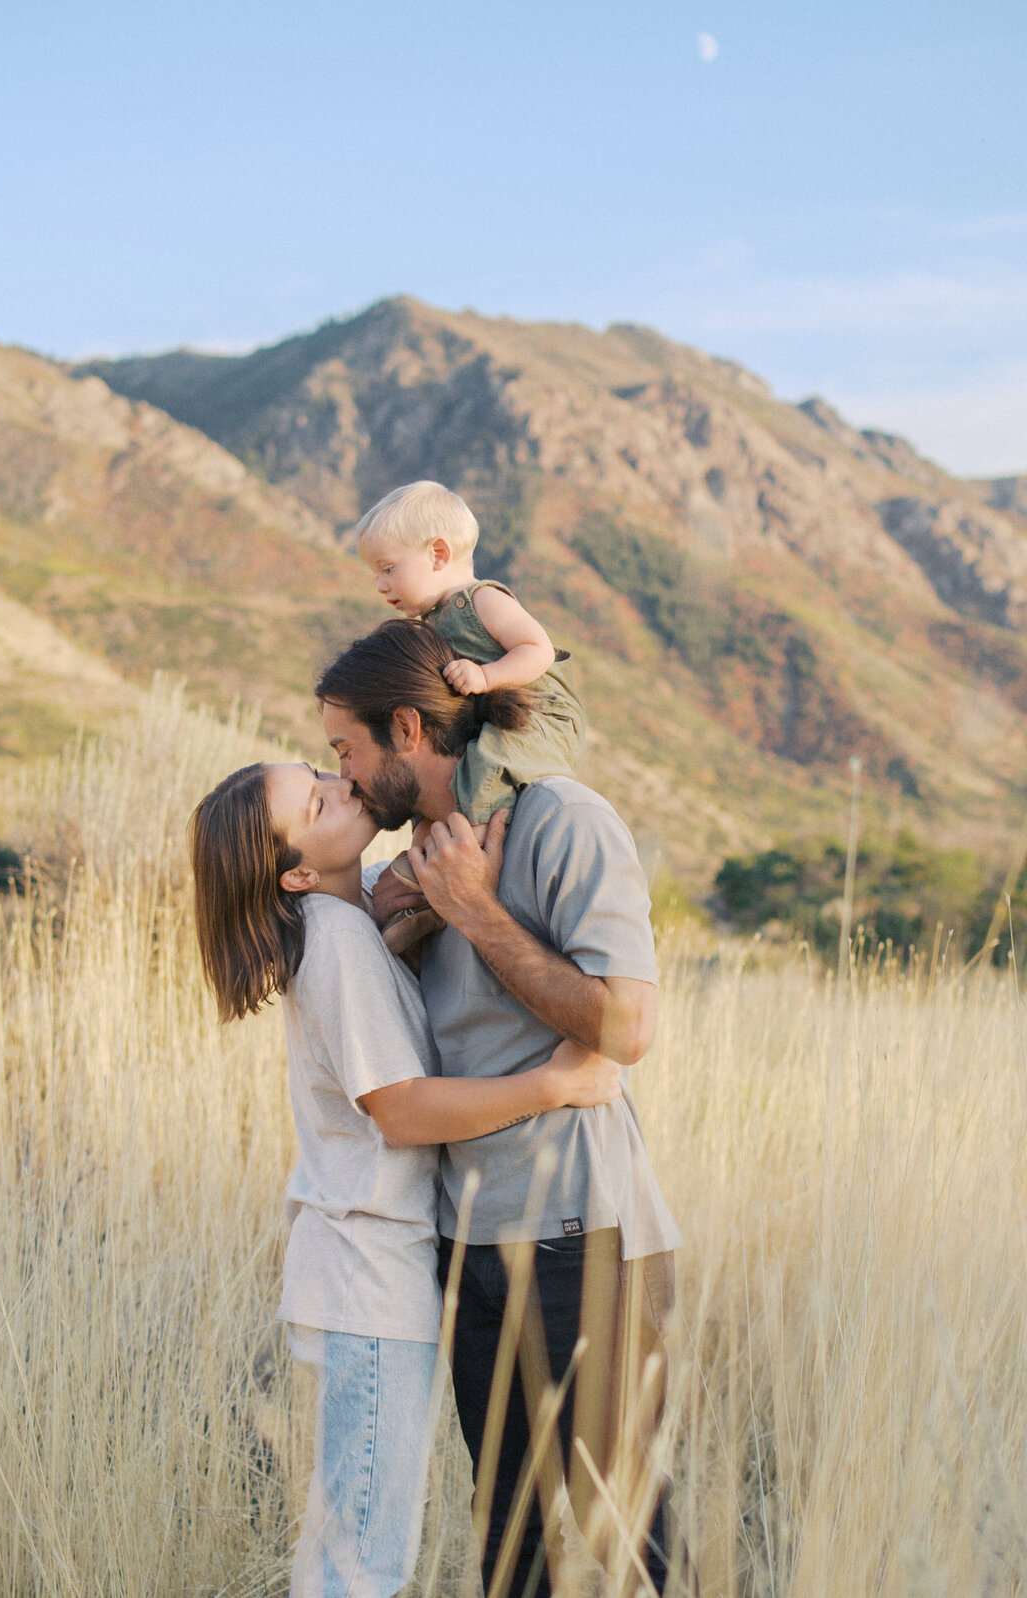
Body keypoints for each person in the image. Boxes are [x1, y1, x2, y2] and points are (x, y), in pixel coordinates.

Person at [188, 759, 624, 1598]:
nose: (344, 785)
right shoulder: (335, 938)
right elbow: (401, 1109)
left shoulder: (345, 926)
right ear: (298, 872)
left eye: (323, 768)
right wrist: (554, 1086)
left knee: (352, 1538)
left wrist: (411, 921)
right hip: (371, 1278)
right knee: (364, 1554)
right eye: (318, 801)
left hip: (366, 1270)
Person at [316, 622, 682, 1598]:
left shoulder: (562, 819)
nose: (343, 775)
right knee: (511, 1546)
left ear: (407, 728)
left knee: (634, 1531)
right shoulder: (423, 862)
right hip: (468, 1245)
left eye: (346, 749)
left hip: (582, 1234)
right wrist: (418, 907)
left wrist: (477, 908)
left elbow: (628, 1025)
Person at [355, 480, 585, 952]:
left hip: (541, 718)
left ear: (439, 554)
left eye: (388, 568)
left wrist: (485, 676)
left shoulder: (481, 601)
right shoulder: (432, 621)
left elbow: (537, 650)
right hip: (499, 718)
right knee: (432, 794)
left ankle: (464, 869)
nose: (380, 585)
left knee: (483, 767)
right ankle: (422, 892)